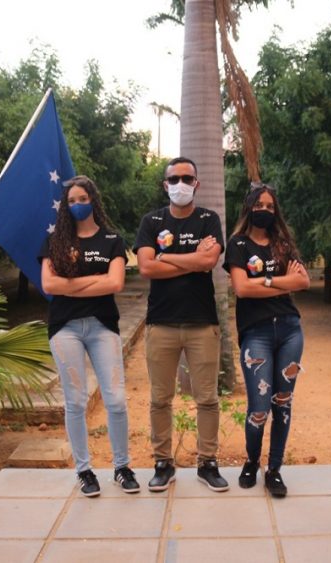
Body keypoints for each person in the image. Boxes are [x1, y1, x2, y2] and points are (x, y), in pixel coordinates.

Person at [39, 175, 140, 497]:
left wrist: (71, 286)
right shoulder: (55, 240)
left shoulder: (111, 239)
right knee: (76, 401)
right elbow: (49, 286)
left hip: (102, 327)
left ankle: (122, 467)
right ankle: (84, 471)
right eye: (71, 201)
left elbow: (115, 284)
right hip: (64, 328)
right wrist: (93, 279)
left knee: (116, 399)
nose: (77, 205)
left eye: (82, 199)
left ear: (93, 200)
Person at [134, 156, 228, 492]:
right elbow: (145, 268)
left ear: (197, 184)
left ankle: (208, 462)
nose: (180, 185)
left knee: (207, 399)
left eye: (187, 178)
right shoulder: (151, 221)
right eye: (173, 179)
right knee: (160, 398)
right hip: (161, 323)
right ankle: (163, 463)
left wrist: (165, 257)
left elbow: (210, 261)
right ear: (165, 185)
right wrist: (192, 262)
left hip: (203, 323)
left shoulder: (208, 219)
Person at [223, 183, 309, 497]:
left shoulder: (283, 244)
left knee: (282, 404)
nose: (265, 210)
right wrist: (281, 282)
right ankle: (251, 462)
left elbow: (303, 281)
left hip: (290, 330)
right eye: (259, 205)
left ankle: (274, 470)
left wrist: (266, 280)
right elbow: (242, 289)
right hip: (255, 332)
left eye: (270, 206)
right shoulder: (238, 245)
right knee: (259, 406)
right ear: (249, 208)